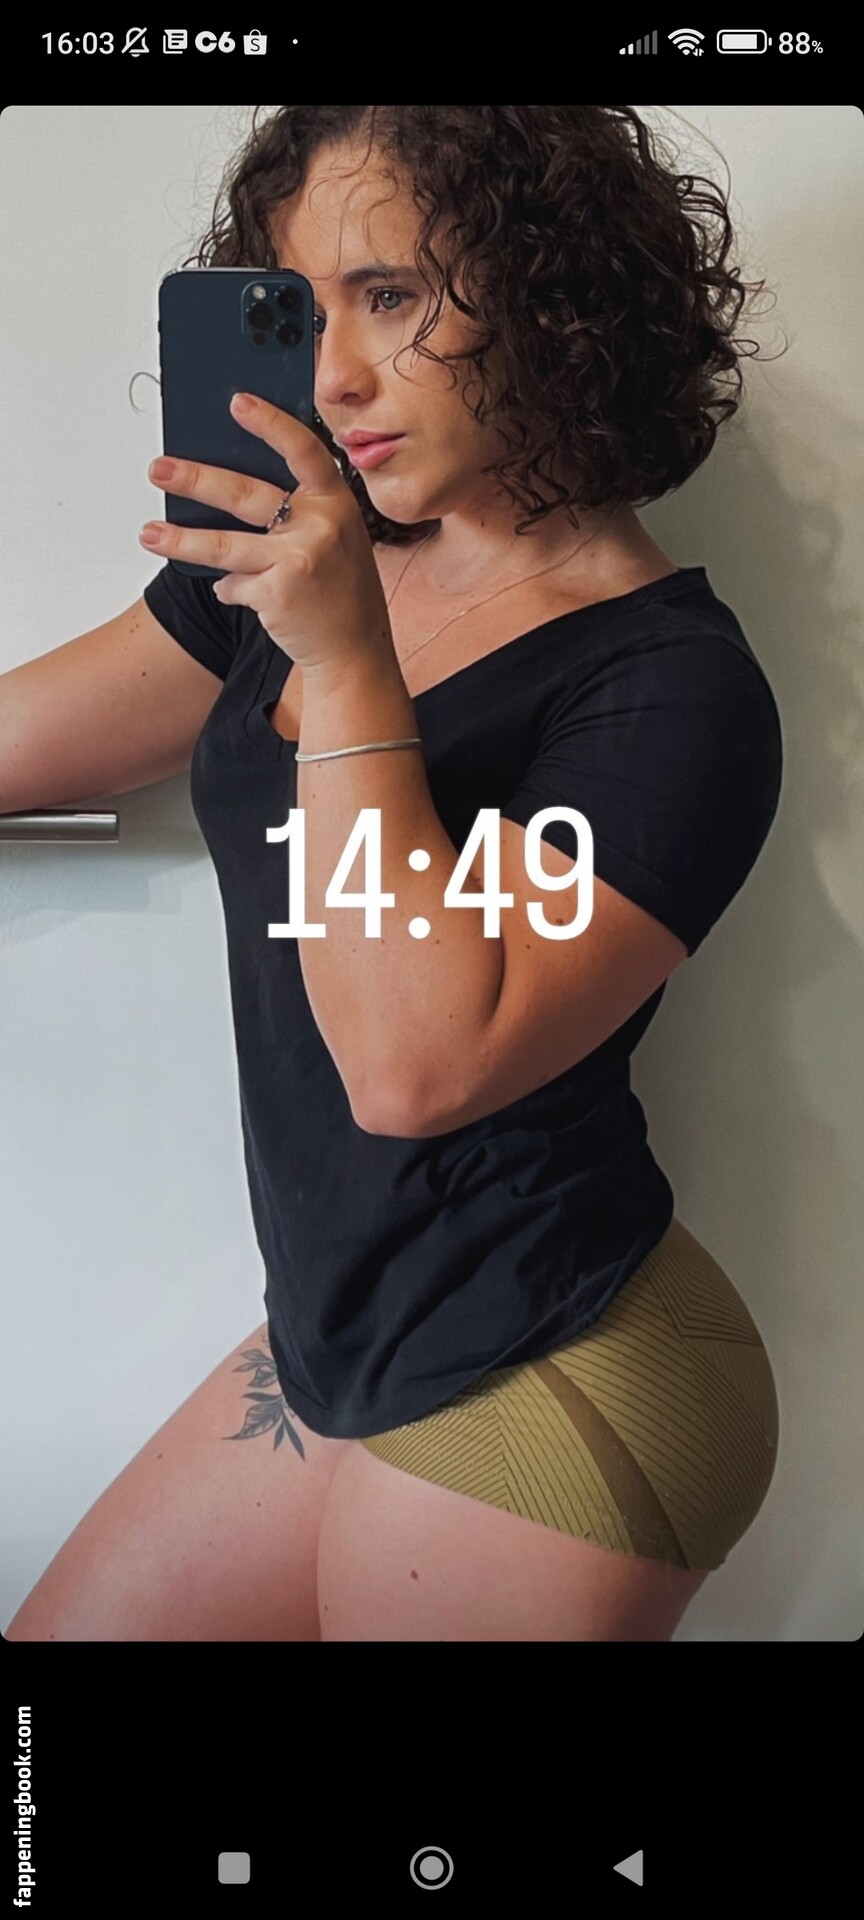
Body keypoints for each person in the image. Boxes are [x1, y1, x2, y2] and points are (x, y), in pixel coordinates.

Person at [3, 106, 783, 1643]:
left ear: (554, 294)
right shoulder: (283, 572)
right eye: (306, 310)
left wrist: (349, 661)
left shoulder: (669, 688)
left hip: (553, 1365)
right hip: (345, 1336)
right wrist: (324, 615)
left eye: (393, 295)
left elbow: (418, 1070)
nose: (337, 378)